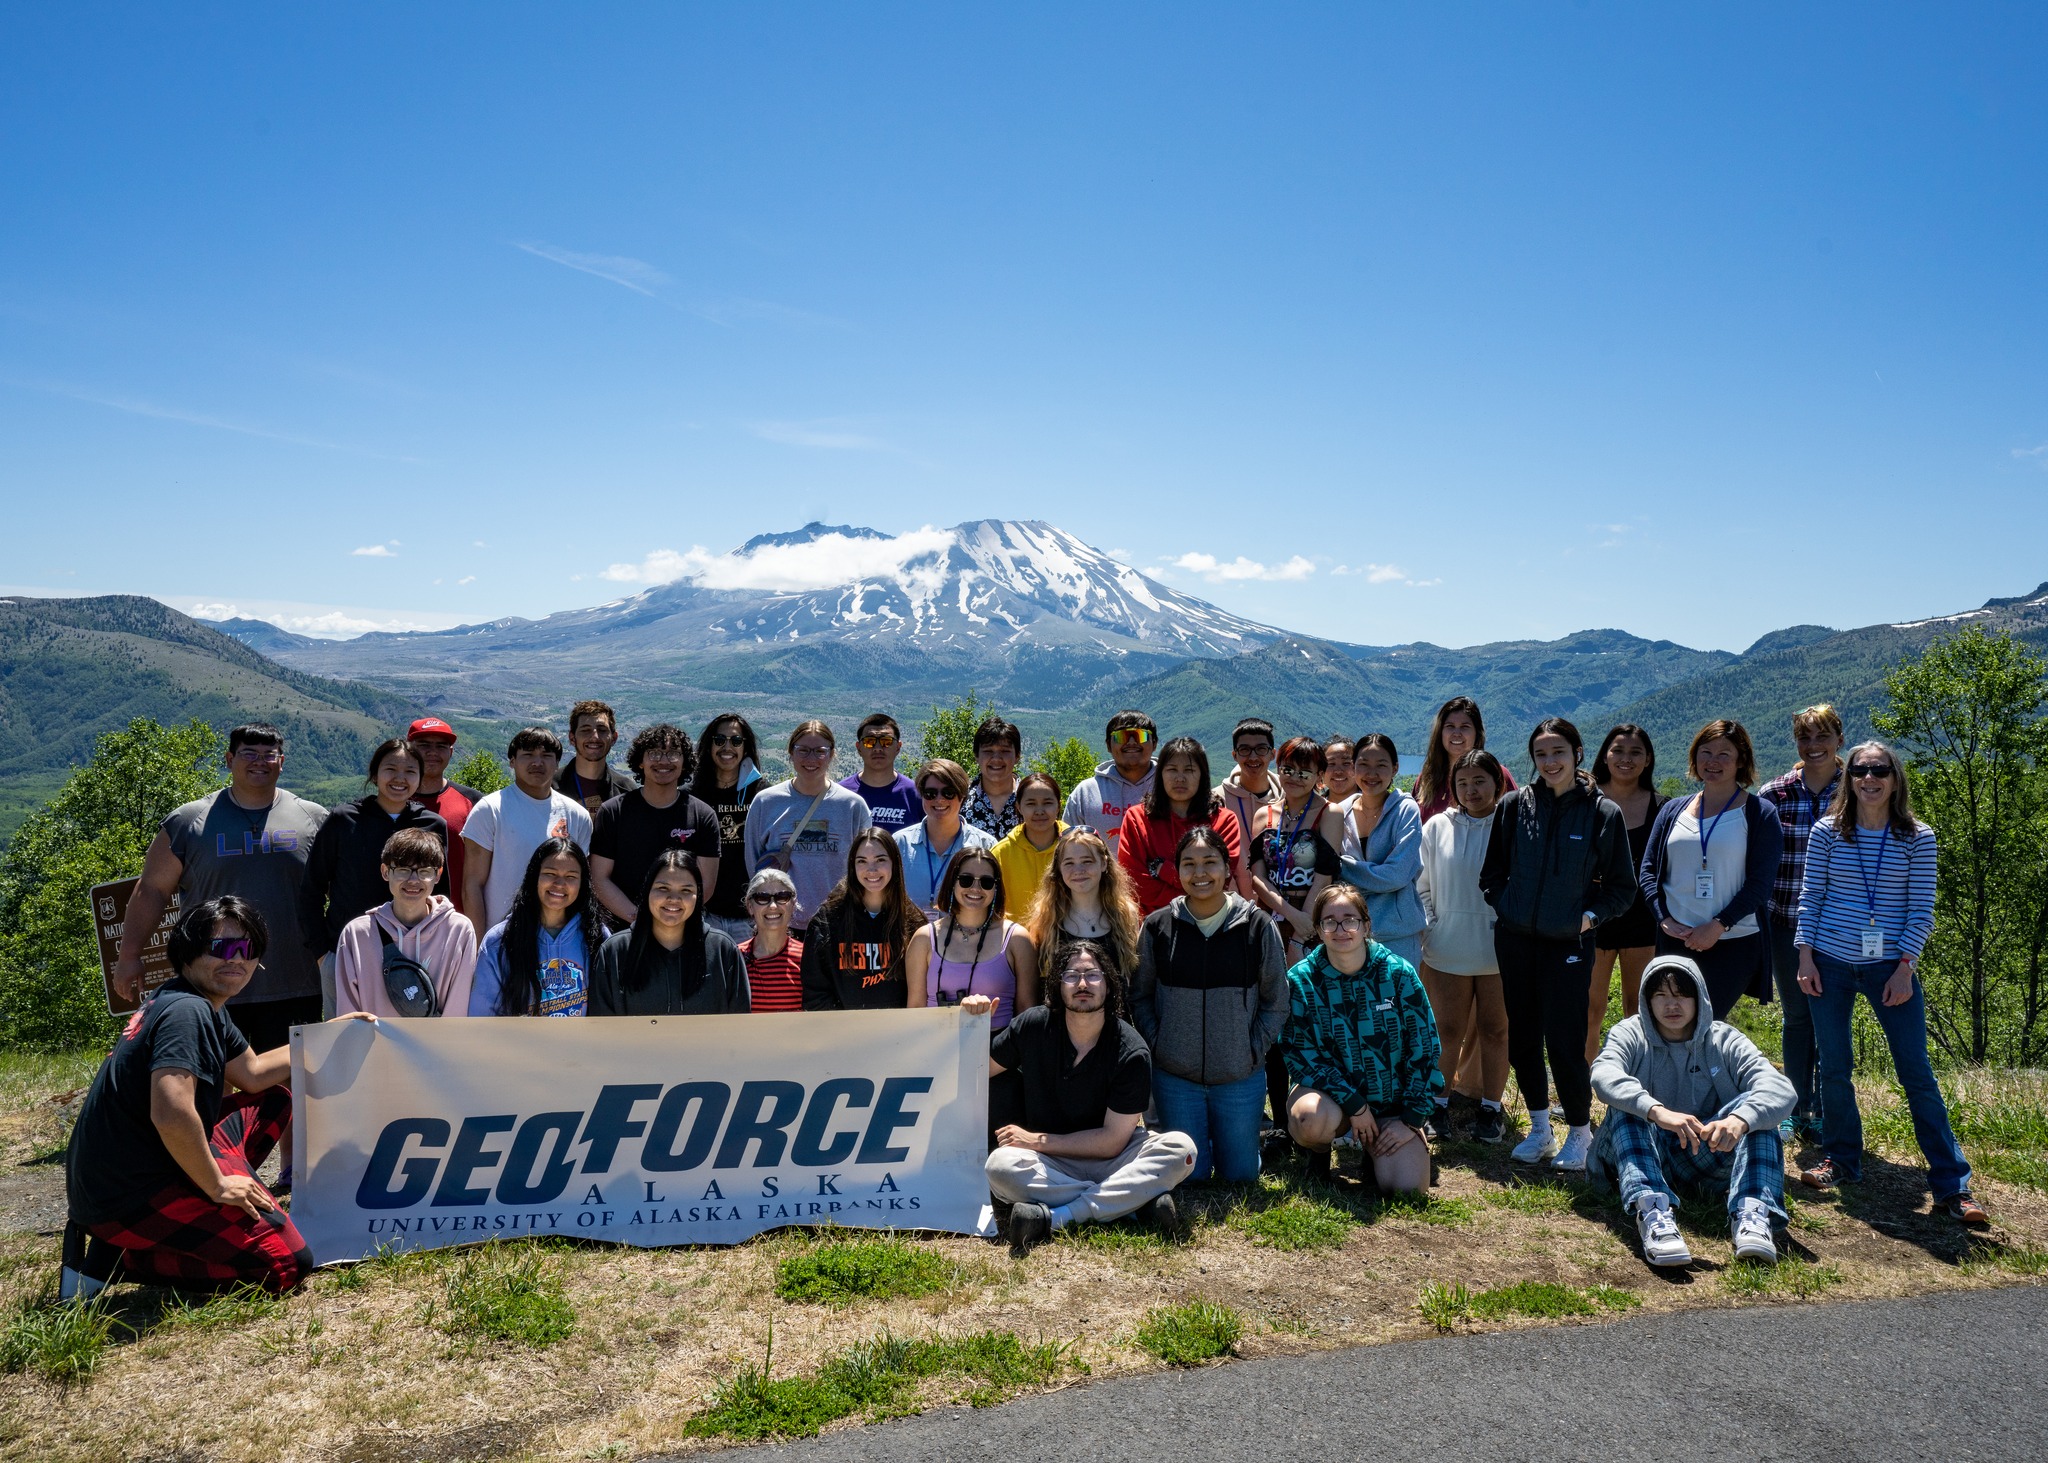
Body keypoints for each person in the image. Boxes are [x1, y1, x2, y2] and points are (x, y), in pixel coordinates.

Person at [61, 897, 374, 1299]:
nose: (237, 960)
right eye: (223, 948)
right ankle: (121, 1257)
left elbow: (254, 1075)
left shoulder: (196, 1002)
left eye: (249, 951)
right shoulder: (187, 1013)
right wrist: (217, 1186)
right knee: (285, 1265)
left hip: (127, 1172)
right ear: (188, 949)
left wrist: (328, 1031)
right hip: (132, 1194)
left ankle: (201, 1211)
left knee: (275, 1100)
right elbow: (172, 1112)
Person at [1795, 743, 1989, 1225]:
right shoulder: (1827, 832)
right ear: (1850, 779)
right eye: (1860, 770)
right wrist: (1805, 957)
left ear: (1895, 778)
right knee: (1835, 1069)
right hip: (1829, 962)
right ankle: (1841, 1161)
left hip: (1890, 968)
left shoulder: (1918, 837)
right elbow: (1811, 897)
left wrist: (1906, 966)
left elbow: (1922, 908)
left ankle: (1952, 1185)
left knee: (1916, 1073)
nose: (1869, 778)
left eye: (1879, 770)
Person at [113, 723, 329, 1054]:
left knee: (292, 1087)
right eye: (249, 754)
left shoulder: (313, 819)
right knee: (211, 1086)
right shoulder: (189, 821)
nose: (259, 761)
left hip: (295, 981)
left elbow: (343, 889)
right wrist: (129, 956)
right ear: (229, 759)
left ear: (281, 762)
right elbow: (152, 890)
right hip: (209, 982)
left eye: (268, 755)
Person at [1479, 718, 1635, 1171]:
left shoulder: (1603, 814)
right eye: (1542, 754)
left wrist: (1587, 919)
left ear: (1578, 754)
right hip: (1515, 941)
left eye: (1559, 752)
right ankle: (1540, 1128)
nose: (1550, 762)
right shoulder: (1513, 806)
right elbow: (1491, 875)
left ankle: (1581, 1135)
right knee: (1523, 1039)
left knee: (1565, 1043)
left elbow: (1622, 889)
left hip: (1568, 944)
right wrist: (1506, 907)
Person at [984, 940, 1196, 1250]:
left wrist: (1035, 1140)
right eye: (1071, 975)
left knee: (1182, 1150)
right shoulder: (1032, 1026)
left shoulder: (1131, 1050)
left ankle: (1057, 1218)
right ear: (1058, 985)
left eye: (1093, 975)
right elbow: (976, 1071)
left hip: (1113, 1157)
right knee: (999, 1168)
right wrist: (972, 1023)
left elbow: (1111, 1142)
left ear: (1109, 985)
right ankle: (1132, 1202)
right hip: (1050, 1163)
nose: (1082, 983)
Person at [1589, 955, 1796, 1268]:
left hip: (1698, 1150)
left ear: (1699, 997)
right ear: (1647, 999)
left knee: (1758, 1114)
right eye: (1661, 996)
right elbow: (1603, 1075)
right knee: (1627, 1108)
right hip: (1637, 1148)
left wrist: (1739, 1121)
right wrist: (1657, 1111)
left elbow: (1781, 1089)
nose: (1672, 1006)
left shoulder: (1724, 1039)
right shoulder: (1630, 1033)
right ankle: (1653, 1212)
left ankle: (1753, 1216)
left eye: (1682, 995)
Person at [1131, 826, 1290, 1183]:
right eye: (1189, 864)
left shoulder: (1257, 926)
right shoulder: (1157, 927)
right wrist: (1160, 1044)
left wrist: (1251, 1050)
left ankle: (1241, 1149)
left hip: (1239, 1075)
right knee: (1192, 1177)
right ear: (1178, 870)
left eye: (1209, 862)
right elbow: (1138, 994)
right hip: (1176, 1077)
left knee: (1240, 1177)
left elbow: (1276, 1000)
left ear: (1227, 866)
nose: (1199, 873)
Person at [1281, 884, 1442, 1191]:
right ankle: (1318, 1154)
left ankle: (1375, 1149)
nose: (1341, 929)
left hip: (1390, 1104)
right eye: (1329, 921)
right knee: (1309, 1121)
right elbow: (1299, 1054)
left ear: (1366, 925)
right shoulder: (1300, 981)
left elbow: (1425, 1048)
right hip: (1335, 1104)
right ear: (1317, 929)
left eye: (1350, 919)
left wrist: (1411, 1118)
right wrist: (1355, 1104)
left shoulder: (1398, 974)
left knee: (1407, 1189)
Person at [1640, 720, 1781, 1020]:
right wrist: (1663, 919)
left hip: (1733, 941)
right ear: (1694, 757)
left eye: (1724, 754)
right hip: (1675, 938)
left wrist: (1718, 925)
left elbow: (1761, 884)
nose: (1713, 762)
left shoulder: (1760, 814)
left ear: (1741, 760)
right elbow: (1648, 872)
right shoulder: (1672, 810)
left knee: (1704, 1022)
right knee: (1670, 1025)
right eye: (1705, 753)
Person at [298, 738, 449, 1016]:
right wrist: (323, 955)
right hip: (347, 954)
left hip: (414, 960)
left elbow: (440, 895)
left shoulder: (431, 825)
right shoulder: (344, 820)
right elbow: (311, 889)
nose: (400, 779)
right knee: (348, 1046)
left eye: (410, 771)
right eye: (391, 769)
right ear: (375, 773)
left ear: (420, 776)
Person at [1756, 704, 1845, 1144]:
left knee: (1830, 1019)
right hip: (1785, 921)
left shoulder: (1860, 787)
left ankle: (1828, 1111)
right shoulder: (1776, 793)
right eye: (1805, 738)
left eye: (1822, 736)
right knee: (1797, 1018)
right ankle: (1795, 1107)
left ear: (1839, 739)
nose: (1813, 746)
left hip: (1840, 927)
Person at [1415, 749, 1509, 1144]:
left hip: (1499, 949)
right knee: (1446, 1030)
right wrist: (1433, 925)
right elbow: (1420, 883)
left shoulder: (1513, 824)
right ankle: (1437, 1105)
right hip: (1447, 947)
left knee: (1496, 1030)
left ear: (1498, 783)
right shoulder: (1437, 826)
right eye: (1462, 782)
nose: (1471, 790)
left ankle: (1491, 1108)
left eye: (1480, 781)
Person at [743, 720, 872, 937]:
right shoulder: (766, 803)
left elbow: (866, 866)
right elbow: (753, 864)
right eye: (803, 750)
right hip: (780, 925)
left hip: (838, 922)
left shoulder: (852, 806)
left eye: (820, 751)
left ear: (832, 755)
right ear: (791, 753)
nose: (811, 759)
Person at [333, 828, 477, 1018]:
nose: (413, 880)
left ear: (438, 874)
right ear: (385, 871)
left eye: (424, 871)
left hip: (436, 1046)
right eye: (403, 870)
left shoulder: (458, 930)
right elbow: (349, 1014)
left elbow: (458, 1009)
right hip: (375, 1045)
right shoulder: (357, 934)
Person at [588, 723, 721, 927]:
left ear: (685, 762)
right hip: (624, 931)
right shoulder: (613, 812)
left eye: (673, 753)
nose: (663, 761)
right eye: (654, 753)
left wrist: (670, 919)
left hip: (682, 929)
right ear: (640, 761)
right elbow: (600, 878)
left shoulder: (703, 815)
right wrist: (638, 919)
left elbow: (707, 885)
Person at [462, 728, 593, 932]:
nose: (537, 763)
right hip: (500, 936)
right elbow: (472, 885)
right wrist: (478, 945)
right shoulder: (490, 809)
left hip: (557, 936)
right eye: (528, 755)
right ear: (512, 761)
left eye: (546, 756)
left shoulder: (577, 815)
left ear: (557, 763)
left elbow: (579, 882)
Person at [1586, 724, 1665, 1061]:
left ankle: (1633, 1087)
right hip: (1592, 918)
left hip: (1642, 920)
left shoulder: (1662, 807)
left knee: (1638, 1010)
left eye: (1635, 752)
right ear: (1605, 755)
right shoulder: (1587, 800)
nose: (1626, 759)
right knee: (1589, 1008)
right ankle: (1581, 1087)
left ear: (1648, 759)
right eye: (1618, 750)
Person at [589, 850, 749, 1015]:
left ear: (698, 896)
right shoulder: (614, 952)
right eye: (663, 888)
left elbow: (738, 1022)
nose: (674, 898)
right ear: (647, 891)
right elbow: (603, 1026)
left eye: (686, 890)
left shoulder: (723, 951)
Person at [1319, 734, 1426, 972]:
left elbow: (1398, 875)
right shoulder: (1339, 813)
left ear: (1395, 768)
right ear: (1354, 768)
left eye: (1381, 765)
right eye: (1364, 765)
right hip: (1347, 932)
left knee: (1398, 1005)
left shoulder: (1405, 810)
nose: (1371, 774)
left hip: (1397, 933)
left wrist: (1341, 866)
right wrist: (1379, 878)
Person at [468, 838, 603, 1017]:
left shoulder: (596, 936)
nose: (559, 884)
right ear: (534, 876)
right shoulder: (499, 941)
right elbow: (482, 1017)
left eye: (571, 877)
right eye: (550, 873)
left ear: (582, 884)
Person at [907, 847, 1038, 1026]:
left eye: (986, 882)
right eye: (966, 880)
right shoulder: (924, 938)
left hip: (998, 1049)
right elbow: (915, 1009)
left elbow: (1026, 1010)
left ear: (996, 888)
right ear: (953, 882)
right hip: (938, 1048)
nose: (975, 888)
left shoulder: (1017, 939)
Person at [800, 828, 926, 1010]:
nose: (871, 869)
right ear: (852, 866)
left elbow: (923, 991)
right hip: (844, 1034)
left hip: (898, 1033)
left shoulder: (914, 921)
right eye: (862, 861)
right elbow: (815, 992)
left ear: (895, 864)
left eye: (880, 860)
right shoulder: (827, 920)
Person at [1117, 736, 1244, 915]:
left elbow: (1218, 879)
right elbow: (1135, 882)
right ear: (1160, 774)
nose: (1180, 778)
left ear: (1202, 774)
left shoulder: (1224, 821)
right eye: (1172, 769)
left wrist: (1164, 871)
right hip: (1152, 925)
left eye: (1189, 770)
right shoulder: (1137, 819)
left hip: (1208, 922)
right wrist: (1192, 888)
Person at [1025, 827, 1144, 989]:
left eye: (1087, 861)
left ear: (1103, 863)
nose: (1078, 871)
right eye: (1069, 863)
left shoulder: (1126, 913)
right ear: (1059, 869)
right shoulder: (1045, 916)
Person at [691, 713, 767, 943]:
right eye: (720, 740)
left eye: (735, 741)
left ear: (746, 747)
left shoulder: (762, 795)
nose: (727, 747)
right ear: (709, 745)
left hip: (749, 914)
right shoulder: (692, 795)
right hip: (704, 912)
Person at [894, 758, 997, 915]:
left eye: (948, 793)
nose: (939, 799)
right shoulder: (899, 843)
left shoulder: (986, 845)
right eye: (930, 793)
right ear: (922, 796)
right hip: (909, 938)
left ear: (962, 796)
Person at [1063, 710, 1158, 856]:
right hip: (1101, 879)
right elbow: (1067, 848)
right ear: (1108, 745)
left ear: (1154, 743)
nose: (1131, 742)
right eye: (1122, 736)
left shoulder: (1172, 787)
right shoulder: (1085, 793)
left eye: (1141, 735)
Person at [408, 717, 481, 905]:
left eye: (441, 746)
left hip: (456, 921)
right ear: (409, 749)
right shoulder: (391, 802)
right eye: (424, 744)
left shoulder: (474, 802)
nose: (432, 752)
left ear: (451, 752)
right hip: (397, 922)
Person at [1410, 697, 1517, 822]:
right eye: (1450, 726)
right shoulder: (1427, 778)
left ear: (1476, 733)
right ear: (1440, 732)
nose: (1457, 733)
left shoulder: (1497, 774)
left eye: (1464, 727)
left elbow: (1517, 820)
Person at [990, 772, 1067, 922]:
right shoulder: (1001, 853)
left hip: (1067, 939)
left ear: (1059, 805)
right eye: (1031, 803)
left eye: (1047, 803)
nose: (1039, 811)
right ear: (1019, 807)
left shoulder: (1075, 847)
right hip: (1015, 941)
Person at [1215, 718, 1282, 884]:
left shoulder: (1290, 796)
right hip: (1234, 902)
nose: (1253, 757)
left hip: (1284, 902)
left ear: (1273, 754)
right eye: (1245, 750)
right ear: (1234, 755)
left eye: (1261, 749)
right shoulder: (1217, 799)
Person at [839, 713, 924, 832]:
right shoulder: (841, 794)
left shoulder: (916, 795)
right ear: (859, 748)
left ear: (898, 747)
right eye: (869, 741)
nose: (878, 748)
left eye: (886, 741)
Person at [738, 868, 805, 1013]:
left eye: (782, 897)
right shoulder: (735, 957)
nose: (773, 906)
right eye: (762, 898)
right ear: (750, 906)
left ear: (793, 904)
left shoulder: (807, 958)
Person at [555, 699, 636, 815]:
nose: (594, 737)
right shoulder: (550, 787)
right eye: (586, 730)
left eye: (602, 730)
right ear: (572, 738)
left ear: (614, 738)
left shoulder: (626, 791)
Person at [963, 716, 1024, 840]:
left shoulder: (1032, 798)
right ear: (976, 756)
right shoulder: (959, 799)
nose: (996, 758)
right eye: (988, 751)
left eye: (1005, 751)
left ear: (1017, 756)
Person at [1319, 736, 1358, 806]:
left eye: (1346, 763)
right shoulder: (1311, 809)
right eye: (1331, 764)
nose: (1338, 771)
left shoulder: (1376, 807)